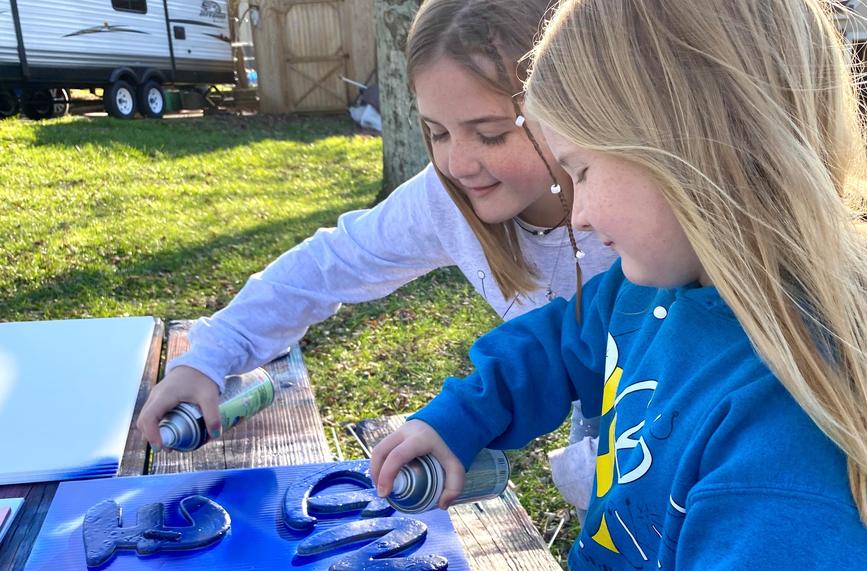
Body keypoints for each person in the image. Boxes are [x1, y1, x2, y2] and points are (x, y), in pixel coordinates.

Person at [370, 0, 867, 571]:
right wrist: (461, 417)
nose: (576, 215)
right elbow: (566, 337)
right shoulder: (669, 287)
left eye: (581, 170)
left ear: (689, 148)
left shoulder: (808, 465)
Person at [136, 0, 617, 510]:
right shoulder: (446, 200)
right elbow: (328, 266)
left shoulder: (642, 202)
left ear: (566, 106)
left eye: (492, 133)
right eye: (436, 132)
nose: (457, 162)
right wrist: (210, 358)